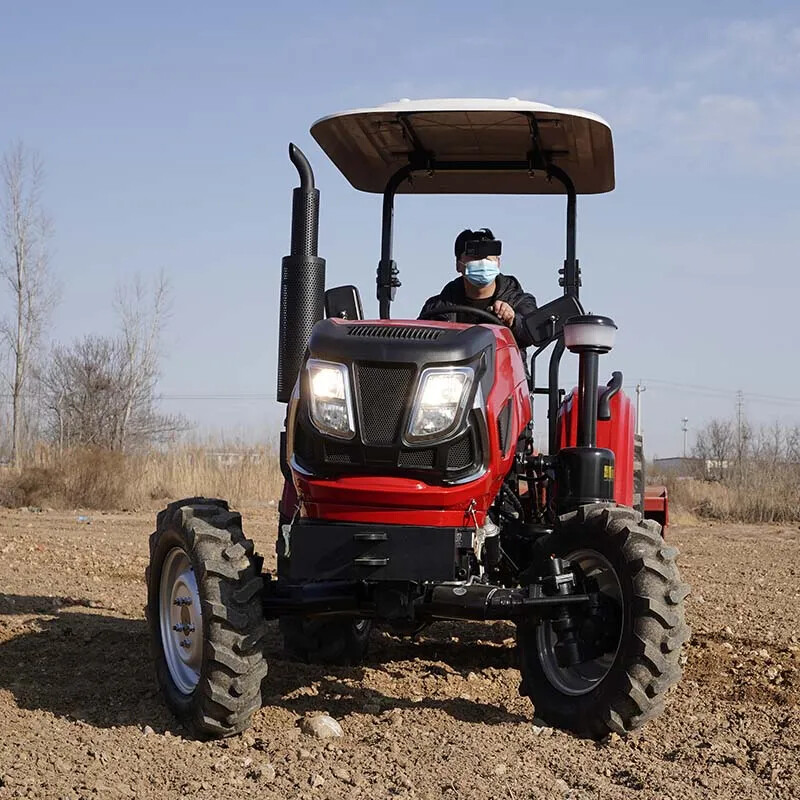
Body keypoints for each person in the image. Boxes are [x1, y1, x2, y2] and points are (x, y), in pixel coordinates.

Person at [418, 228, 537, 350]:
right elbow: (419, 344)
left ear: (498, 263)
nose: (482, 263)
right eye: (475, 257)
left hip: (503, 367)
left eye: (488, 258)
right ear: (459, 265)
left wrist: (513, 321)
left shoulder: (519, 301)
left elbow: (533, 333)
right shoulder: (437, 308)